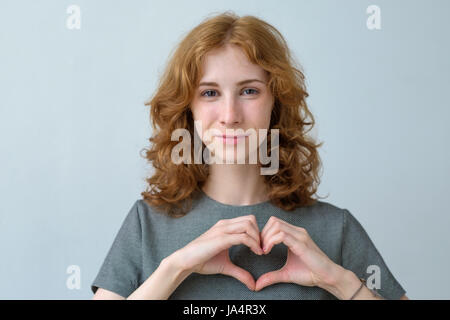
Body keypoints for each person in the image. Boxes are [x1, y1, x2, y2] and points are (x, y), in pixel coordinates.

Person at [91, 11, 409, 300]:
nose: (230, 115)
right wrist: (175, 267)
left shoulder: (334, 228)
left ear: (276, 102)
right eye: (210, 93)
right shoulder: (146, 224)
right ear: (188, 107)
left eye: (249, 91)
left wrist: (337, 280)